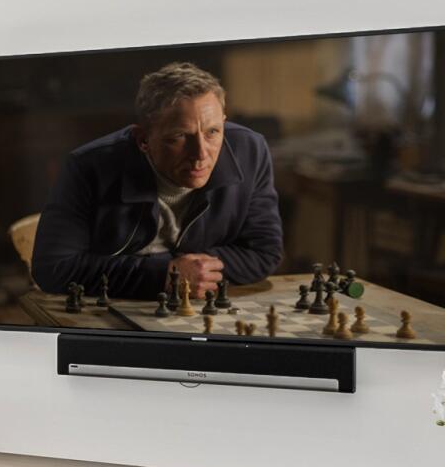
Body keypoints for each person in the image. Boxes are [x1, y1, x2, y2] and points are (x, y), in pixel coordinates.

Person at [30, 61, 283, 302]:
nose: (200, 154)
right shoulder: (87, 167)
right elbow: (53, 268)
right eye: (179, 136)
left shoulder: (250, 151)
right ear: (143, 140)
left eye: (213, 132)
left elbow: (264, 252)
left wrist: (193, 271)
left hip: (200, 305)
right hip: (113, 308)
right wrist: (164, 273)